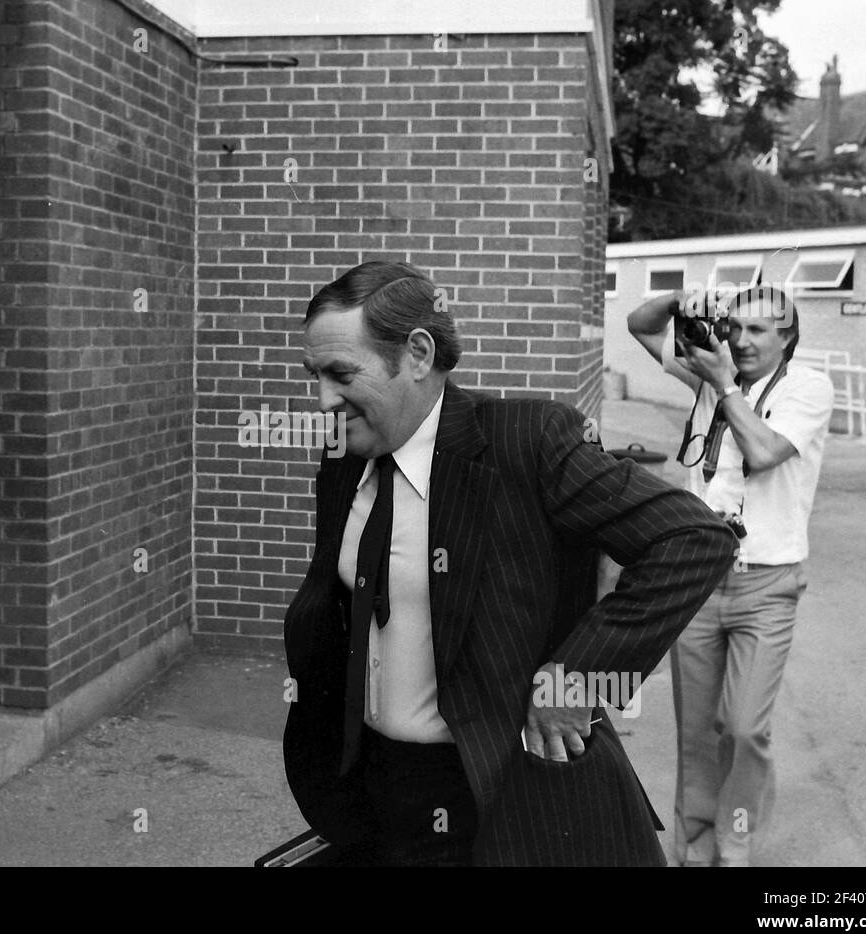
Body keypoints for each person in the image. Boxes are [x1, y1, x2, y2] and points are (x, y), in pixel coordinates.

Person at [282, 261, 736, 866]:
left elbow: (692, 537)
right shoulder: (346, 453)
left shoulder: (526, 441)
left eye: (341, 374)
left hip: (489, 789)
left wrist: (576, 675)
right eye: (315, 375)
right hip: (374, 789)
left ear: (417, 354)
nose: (323, 400)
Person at [627, 283, 834, 866]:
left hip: (767, 583)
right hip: (698, 578)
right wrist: (677, 302)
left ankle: (734, 843)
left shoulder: (807, 387)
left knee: (742, 728)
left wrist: (724, 386)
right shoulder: (706, 373)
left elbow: (765, 451)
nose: (741, 341)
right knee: (695, 732)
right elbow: (640, 327)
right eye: (734, 327)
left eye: (759, 330)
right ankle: (693, 850)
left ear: (788, 337)